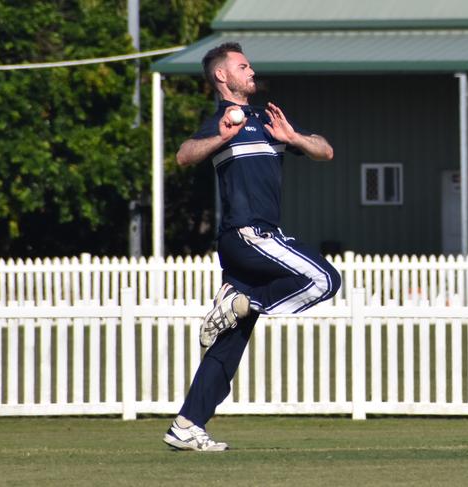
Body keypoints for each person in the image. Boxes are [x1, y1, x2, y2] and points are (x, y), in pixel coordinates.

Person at [163, 42, 341, 452]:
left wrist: (293, 136)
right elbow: (183, 155)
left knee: (228, 345)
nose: (251, 71)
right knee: (325, 278)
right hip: (248, 234)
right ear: (222, 77)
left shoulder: (268, 119)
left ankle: (187, 425)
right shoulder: (222, 121)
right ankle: (245, 300)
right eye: (243, 66)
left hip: (254, 238)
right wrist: (218, 139)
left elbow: (325, 150)